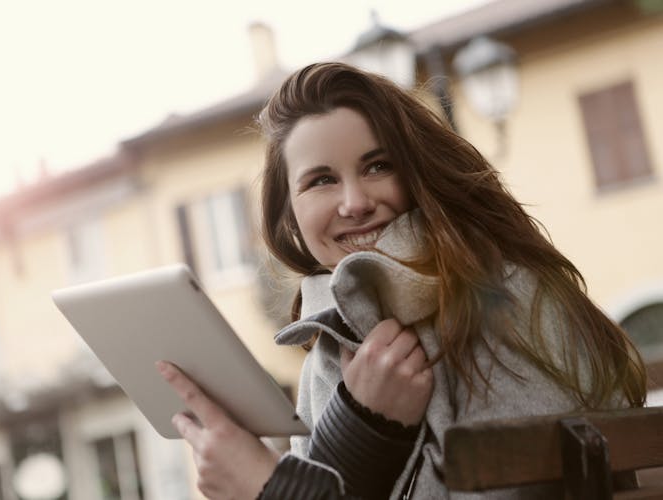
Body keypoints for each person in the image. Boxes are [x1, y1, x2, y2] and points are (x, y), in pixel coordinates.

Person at [156, 62, 647, 499]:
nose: (354, 202)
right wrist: (359, 428)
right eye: (321, 180)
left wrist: (266, 487)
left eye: (378, 166)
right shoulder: (326, 351)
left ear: (420, 174)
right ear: (289, 215)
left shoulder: (500, 299)